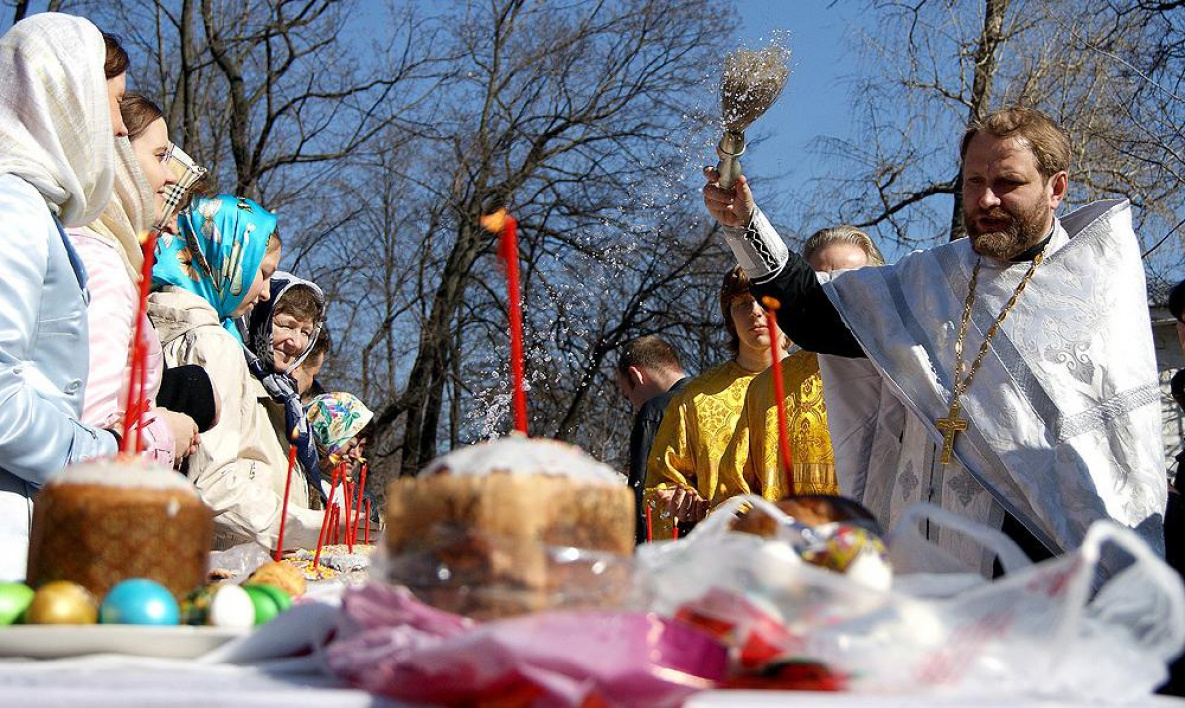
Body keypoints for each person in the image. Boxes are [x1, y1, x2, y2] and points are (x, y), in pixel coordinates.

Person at [704, 106, 1164, 575]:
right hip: (928, 553)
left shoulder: (1091, 286)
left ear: (1056, 188)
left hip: (1044, 560)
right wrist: (745, 223)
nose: (986, 199)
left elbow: (1107, 456)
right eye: (973, 181)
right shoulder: (930, 278)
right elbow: (817, 315)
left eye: (1007, 182)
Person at [0, 14, 131, 579]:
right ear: (67, 97)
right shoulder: (13, 208)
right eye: (115, 103)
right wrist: (93, 453)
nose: (122, 129)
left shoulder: (33, 206)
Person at [149, 194, 333, 550]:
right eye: (260, 273)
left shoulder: (161, 319)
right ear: (228, 260)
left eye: (306, 333)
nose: (264, 292)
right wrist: (318, 527)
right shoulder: (212, 343)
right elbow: (214, 485)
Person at [67, 91, 201, 469]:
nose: (170, 175)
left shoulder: (107, 256)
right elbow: (84, 440)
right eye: (160, 157)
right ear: (120, 159)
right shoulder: (100, 262)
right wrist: (165, 432)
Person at [722, 226, 883, 503]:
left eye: (850, 280)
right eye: (822, 284)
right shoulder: (767, 389)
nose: (836, 296)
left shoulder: (905, 373)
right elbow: (740, 491)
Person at [645, 266, 787, 531]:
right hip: (724, 553)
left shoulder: (818, 386)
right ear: (730, 319)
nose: (755, 311)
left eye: (764, 300)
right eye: (742, 303)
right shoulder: (695, 399)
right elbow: (658, 487)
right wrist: (679, 499)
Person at [244, 271, 326, 499]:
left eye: (306, 332)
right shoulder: (238, 377)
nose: (296, 342)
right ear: (261, 316)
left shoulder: (289, 401)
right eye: (287, 326)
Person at [614, 335, 688, 543]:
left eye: (628, 396)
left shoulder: (654, 412)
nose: (633, 405)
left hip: (671, 544)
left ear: (636, 376)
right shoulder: (714, 398)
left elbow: (641, 492)